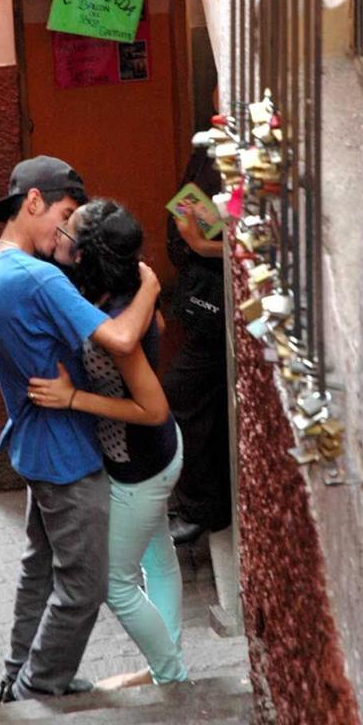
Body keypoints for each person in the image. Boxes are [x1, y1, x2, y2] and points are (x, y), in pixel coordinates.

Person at [0, 157, 160, 703]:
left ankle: (16, 677)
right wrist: (150, 286)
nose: (66, 229)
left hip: (35, 444)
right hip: (65, 454)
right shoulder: (39, 276)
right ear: (32, 201)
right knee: (83, 586)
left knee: (39, 568)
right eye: (65, 213)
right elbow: (123, 340)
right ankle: (40, 687)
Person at [28, 199, 188, 689]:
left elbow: (153, 407)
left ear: (87, 256)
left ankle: (171, 675)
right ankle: (167, 662)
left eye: (69, 236)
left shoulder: (119, 324)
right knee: (157, 554)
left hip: (142, 466)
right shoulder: (125, 289)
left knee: (117, 585)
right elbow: (156, 324)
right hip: (159, 454)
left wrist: (74, 397)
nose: (60, 236)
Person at [163, 140, 232, 545]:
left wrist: (201, 245)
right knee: (200, 399)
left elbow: (227, 238)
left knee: (183, 392)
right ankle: (200, 504)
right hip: (201, 291)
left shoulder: (224, 148)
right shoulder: (209, 145)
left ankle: (202, 507)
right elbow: (188, 206)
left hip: (214, 294)